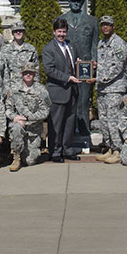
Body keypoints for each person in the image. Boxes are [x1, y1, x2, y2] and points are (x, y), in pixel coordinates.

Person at [57, 0, 97, 136]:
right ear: (68, 1)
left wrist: (95, 61)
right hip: (67, 65)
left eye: (78, 1)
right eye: (73, 1)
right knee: (68, 99)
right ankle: (68, 131)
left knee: (84, 99)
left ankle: (84, 130)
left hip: (85, 66)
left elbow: (94, 44)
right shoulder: (61, 20)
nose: (75, 3)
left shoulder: (92, 21)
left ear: (83, 2)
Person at [42, 18, 81, 163]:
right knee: (56, 124)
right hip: (58, 90)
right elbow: (49, 70)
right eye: (59, 32)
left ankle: (67, 149)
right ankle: (55, 152)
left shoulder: (71, 45)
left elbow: (75, 63)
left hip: (72, 91)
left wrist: (82, 66)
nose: (61, 34)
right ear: (54, 32)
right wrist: (68, 78)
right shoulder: (48, 48)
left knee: (70, 123)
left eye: (64, 32)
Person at [95, 15, 127, 163]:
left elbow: (118, 67)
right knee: (103, 121)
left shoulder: (118, 43)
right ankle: (109, 147)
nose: (105, 27)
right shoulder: (101, 43)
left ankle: (118, 151)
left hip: (114, 89)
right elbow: (103, 64)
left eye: (108, 25)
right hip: (102, 89)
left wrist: (98, 78)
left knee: (113, 121)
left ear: (113, 26)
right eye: (103, 25)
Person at [5, 62, 51, 171]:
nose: (28, 75)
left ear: (35, 74)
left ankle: (27, 153)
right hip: (19, 125)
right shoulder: (14, 89)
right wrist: (15, 117)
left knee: (30, 161)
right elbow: (7, 109)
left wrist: (27, 118)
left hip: (33, 131)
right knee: (16, 128)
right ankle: (16, 157)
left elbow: (46, 111)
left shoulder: (42, 90)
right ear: (21, 74)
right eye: (26, 73)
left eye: (31, 73)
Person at [1, 21, 38, 92]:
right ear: (12, 33)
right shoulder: (5, 50)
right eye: (15, 31)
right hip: (12, 88)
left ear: (24, 32)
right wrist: (6, 89)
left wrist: (35, 87)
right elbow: (4, 71)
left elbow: (36, 70)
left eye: (20, 31)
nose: (18, 33)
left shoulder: (31, 49)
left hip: (28, 87)